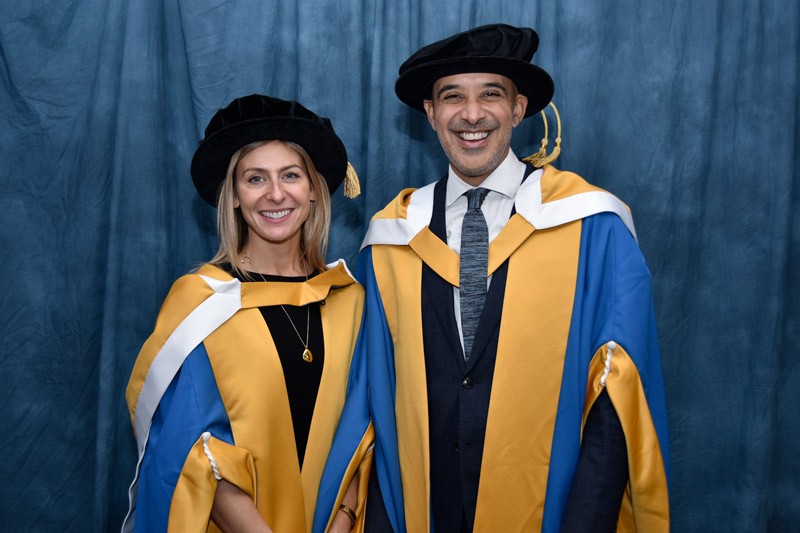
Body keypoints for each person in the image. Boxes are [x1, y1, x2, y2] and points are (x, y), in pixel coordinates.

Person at [319, 24, 670, 532]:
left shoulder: (592, 227)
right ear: (431, 113)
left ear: (519, 109)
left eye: (492, 94)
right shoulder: (392, 239)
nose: (472, 114)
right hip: (424, 509)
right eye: (452, 96)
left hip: (553, 509)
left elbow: (618, 401)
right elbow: (377, 397)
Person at [123, 94, 373, 533]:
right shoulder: (202, 304)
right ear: (234, 196)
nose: (275, 194)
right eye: (255, 178)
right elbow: (193, 450)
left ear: (313, 189)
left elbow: (364, 432)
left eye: (291, 176)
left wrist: (345, 520)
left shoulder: (349, 300)